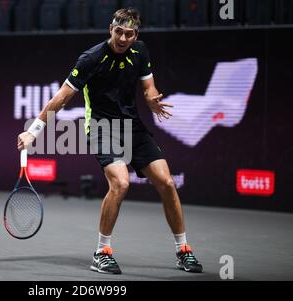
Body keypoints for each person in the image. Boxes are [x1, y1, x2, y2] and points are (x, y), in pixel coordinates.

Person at [17, 8, 203, 274]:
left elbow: (149, 88)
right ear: (110, 30)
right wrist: (33, 131)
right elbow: (61, 99)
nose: (123, 38)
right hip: (102, 127)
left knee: (167, 182)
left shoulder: (141, 52)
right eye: (119, 32)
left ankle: (183, 250)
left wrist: (151, 100)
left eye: (129, 34)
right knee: (120, 183)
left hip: (133, 127)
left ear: (135, 34)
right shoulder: (91, 58)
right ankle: (102, 252)